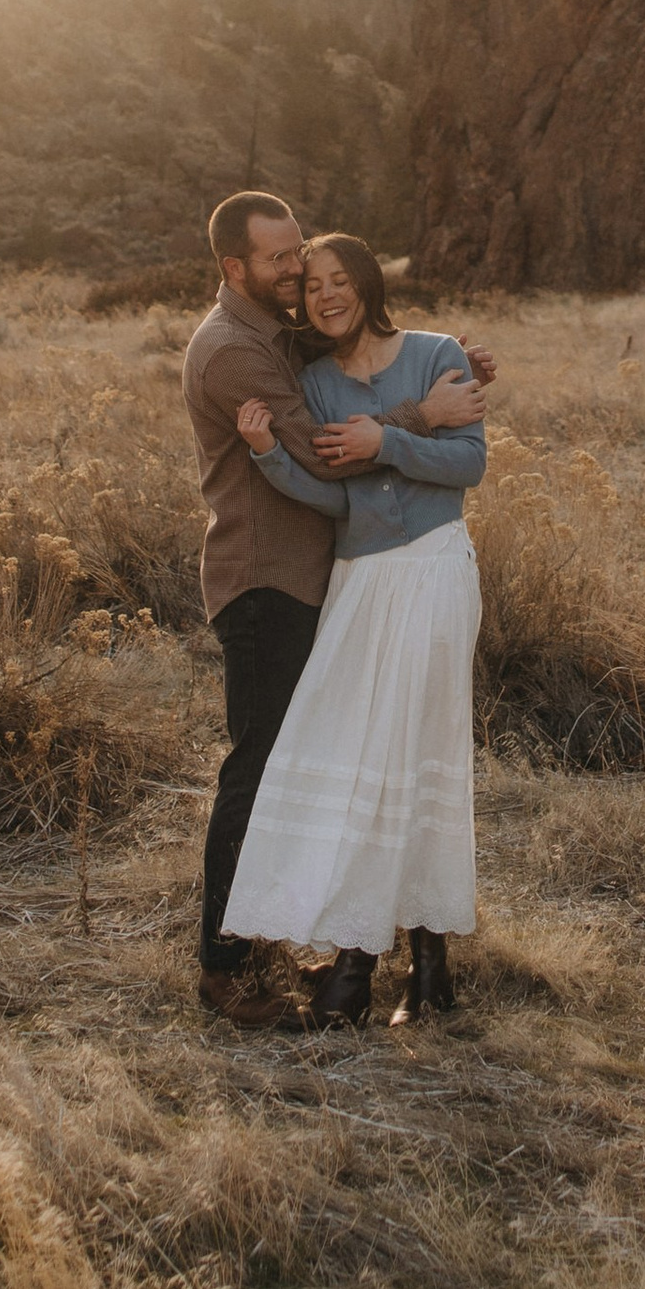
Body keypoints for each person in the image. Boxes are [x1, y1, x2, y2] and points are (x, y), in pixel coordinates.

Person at [182, 193, 489, 1029]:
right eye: (284, 264)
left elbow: (452, 446)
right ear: (234, 268)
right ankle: (232, 965)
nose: (300, 279)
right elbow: (326, 464)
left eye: (310, 263)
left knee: (374, 762)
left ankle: (395, 957)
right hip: (273, 581)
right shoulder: (238, 355)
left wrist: (446, 371)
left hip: (379, 576)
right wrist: (417, 416)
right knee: (278, 768)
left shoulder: (290, 338)